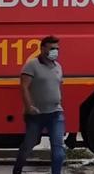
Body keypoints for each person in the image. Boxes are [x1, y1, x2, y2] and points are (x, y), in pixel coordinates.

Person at [13, 35, 65, 174]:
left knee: (58, 150)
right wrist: (29, 107)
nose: (55, 51)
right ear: (42, 49)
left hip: (55, 114)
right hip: (36, 115)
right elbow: (24, 86)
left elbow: (58, 86)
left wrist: (59, 102)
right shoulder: (32, 65)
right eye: (52, 48)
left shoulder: (58, 67)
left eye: (57, 48)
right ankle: (17, 170)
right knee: (27, 147)